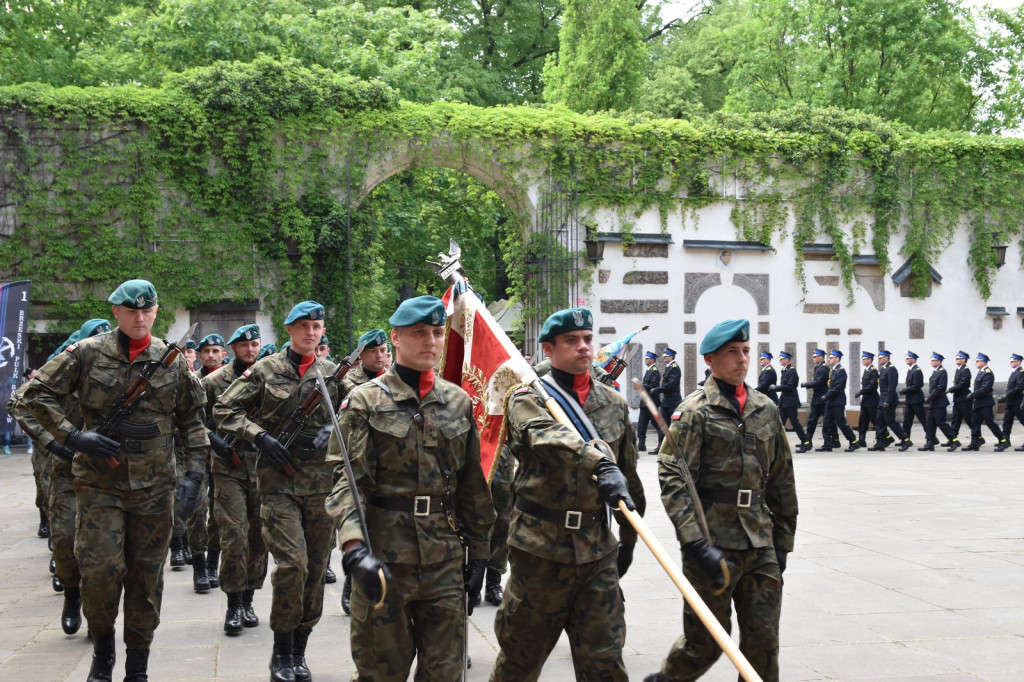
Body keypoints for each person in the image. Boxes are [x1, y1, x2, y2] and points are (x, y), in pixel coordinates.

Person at [24, 279, 209, 682]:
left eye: (147, 310)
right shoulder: (87, 354)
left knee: (145, 579)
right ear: (116, 312)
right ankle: (103, 652)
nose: (140, 317)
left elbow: (193, 422)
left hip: (156, 488)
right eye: (131, 310)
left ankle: (138, 666)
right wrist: (74, 436)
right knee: (100, 572)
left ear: (156, 311)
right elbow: (34, 395)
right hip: (98, 486)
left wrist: (195, 475)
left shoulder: (173, 361)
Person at [326, 296, 495, 682]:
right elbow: (346, 483)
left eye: (437, 333)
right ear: (396, 338)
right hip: (385, 559)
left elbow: (472, 484)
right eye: (419, 333)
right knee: (381, 672)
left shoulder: (458, 401)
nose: (431, 341)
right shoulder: (365, 402)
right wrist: (353, 550)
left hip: (444, 559)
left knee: (446, 673)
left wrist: (481, 554)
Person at [491, 307, 644, 682]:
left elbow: (628, 477)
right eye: (571, 341)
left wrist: (628, 541)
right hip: (539, 550)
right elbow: (543, 435)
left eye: (588, 339)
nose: (583, 347)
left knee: (606, 662)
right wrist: (597, 460)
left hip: (596, 550)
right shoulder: (528, 397)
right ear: (549, 348)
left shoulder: (613, 402)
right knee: (519, 663)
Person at [646, 319, 797, 682]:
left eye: (746, 351)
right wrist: (694, 542)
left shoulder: (765, 408)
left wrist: (783, 542)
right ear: (710, 360)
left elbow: (781, 477)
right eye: (733, 352)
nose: (742, 359)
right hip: (713, 544)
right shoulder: (694, 411)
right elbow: (674, 478)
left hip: (759, 540)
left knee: (763, 642)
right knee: (705, 643)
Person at [214, 300, 345, 682]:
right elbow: (224, 409)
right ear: (289, 329)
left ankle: (299, 649)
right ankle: (280, 651)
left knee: (317, 569)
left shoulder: (333, 374)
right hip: (277, 484)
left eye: (317, 325)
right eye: (303, 325)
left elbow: (359, 411)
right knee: (293, 564)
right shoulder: (265, 370)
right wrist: (260, 436)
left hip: (321, 486)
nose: (311, 332)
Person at [203, 323, 268, 635]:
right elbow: (192, 420)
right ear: (233, 349)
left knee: (258, 536)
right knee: (234, 534)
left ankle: (248, 598)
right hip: (228, 465)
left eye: (255, 344)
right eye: (244, 345)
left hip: (264, 467)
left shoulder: (271, 376)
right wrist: (216, 443)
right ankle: (232, 603)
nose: (251, 350)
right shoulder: (215, 381)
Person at [335, 328, 392, 614]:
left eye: (384, 351)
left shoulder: (392, 380)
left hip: (386, 465)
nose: (380, 356)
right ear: (362, 355)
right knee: (358, 526)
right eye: (374, 351)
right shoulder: (349, 384)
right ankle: (351, 582)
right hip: (357, 462)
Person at [189, 333, 226, 593]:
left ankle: (213, 562)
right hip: (199, 453)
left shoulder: (235, 380)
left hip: (226, 456)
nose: (211, 355)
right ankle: (199, 566)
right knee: (197, 510)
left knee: (219, 513)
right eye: (207, 351)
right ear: (200, 355)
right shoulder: (193, 380)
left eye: (216, 351)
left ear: (224, 353)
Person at [818, 350, 861, 452]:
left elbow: (838, 387)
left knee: (841, 423)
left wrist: (826, 396)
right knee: (827, 423)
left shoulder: (841, 371)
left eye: (832, 358)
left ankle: (853, 442)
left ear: (837, 358)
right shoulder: (833, 370)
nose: (829, 359)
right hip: (831, 401)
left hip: (837, 401)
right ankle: (827, 443)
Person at [964, 353, 1007, 451]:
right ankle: (974, 443)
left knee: (990, 423)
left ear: (983, 362)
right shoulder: (981, 372)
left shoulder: (988, 373)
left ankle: (1003, 440)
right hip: (978, 403)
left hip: (985, 403)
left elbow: (985, 389)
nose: (975, 363)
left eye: (977, 361)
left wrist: (972, 395)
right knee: (975, 423)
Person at [870, 350, 908, 451]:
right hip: (882, 398)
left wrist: (888, 401)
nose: (879, 359)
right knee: (879, 422)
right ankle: (880, 442)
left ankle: (905, 439)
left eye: (881, 357)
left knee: (890, 421)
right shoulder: (883, 369)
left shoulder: (891, 369)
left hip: (888, 399)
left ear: (886, 358)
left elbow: (892, 387)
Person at [920, 353, 956, 451]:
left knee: (941, 423)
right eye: (931, 360)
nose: (931, 362)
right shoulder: (935, 372)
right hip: (934, 401)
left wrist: (930, 397)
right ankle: (930, 442)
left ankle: (954, 440)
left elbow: (941, 387)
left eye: (933, 360)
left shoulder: (942, 372)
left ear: (939, 361)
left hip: (939, 402)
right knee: (930, 422)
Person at [775, 351, 809, 449]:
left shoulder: (792, 371)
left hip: (790, 401)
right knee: (780, 423)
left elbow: (789, 386)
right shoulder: (784, 370)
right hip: (784, 401)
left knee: (794, 422)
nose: (780, 361)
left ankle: (805, 442)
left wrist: (776, 388)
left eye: (782, 359)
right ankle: (777, 444)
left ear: (787, 360)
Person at [799, 349, 829, 452]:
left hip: (823, 399)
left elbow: (819, 382)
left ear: (821, 357)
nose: (813, 358)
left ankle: (828, 443)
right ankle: (807, 441)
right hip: (817, 399)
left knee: (828, 422)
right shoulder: (818, 367)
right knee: (811, 421)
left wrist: (807, 384)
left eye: (815, 356)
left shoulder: (824, 368)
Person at [653, 348, 681, 452]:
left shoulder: (675, 368)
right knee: (663, 424)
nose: (663, 358)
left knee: (674, 425)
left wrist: (658, 389)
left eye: (665, 356)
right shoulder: (668, 367)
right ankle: (661, 446)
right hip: (666, 399)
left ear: (671, 357)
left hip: (673, 399)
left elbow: (671, 384)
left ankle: (676, 447)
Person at [945, 351, 973, 451]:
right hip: (958, 399)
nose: (956, 360)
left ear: (964, 360)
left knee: (970, 420)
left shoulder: (965, 370)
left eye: (959, 358)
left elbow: (962, 384)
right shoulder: (959, 369)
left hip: (964, 399)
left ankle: (976, 439)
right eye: (956, 358)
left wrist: (950, 389)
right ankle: (953, 439)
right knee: (955, 420)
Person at [899, 351, 925, 450]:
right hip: (910, 400)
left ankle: (931, 438)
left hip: (916, 399)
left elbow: (916, 386)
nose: (906, 360)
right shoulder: (911, 370)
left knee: (923, 420)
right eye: (906, 358)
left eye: (908, 358)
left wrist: (905, 390)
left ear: (913, 359)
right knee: (907, 421)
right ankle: (905, 439)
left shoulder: (917, 370)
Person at [637, 350, 662, 452]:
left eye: (647, 358)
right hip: (644, 402)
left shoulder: (655, 371)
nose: (645, 360)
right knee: (641, 424)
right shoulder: (649, 370)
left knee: (656, 424)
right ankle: (641, 444)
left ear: (652, 360)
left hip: (651, 402)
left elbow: (653, 386)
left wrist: (641, 385)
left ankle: (662, 442)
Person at [855, 351, 879, 447]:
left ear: (869, 360)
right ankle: (861, 440)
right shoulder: (866, 370)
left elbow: (872, 385)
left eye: (864, 359)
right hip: (865, 400)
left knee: (875, 421)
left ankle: (883, 438)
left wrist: (861, 392)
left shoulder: (873, 370)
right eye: (862, 359)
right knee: (863, 421)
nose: (862, 361)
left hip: (872, 400)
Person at [1001, 353, 1023, 450]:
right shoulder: (1014, 372)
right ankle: (1005, 441)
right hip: (1010, 402)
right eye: (1011, 361)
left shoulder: (1021, 372)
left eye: (1013, 361)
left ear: (1019, 362)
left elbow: (1019, 387)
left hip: (1017, 402)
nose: (1011, 363)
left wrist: (1006, 395)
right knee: (1006, 422)